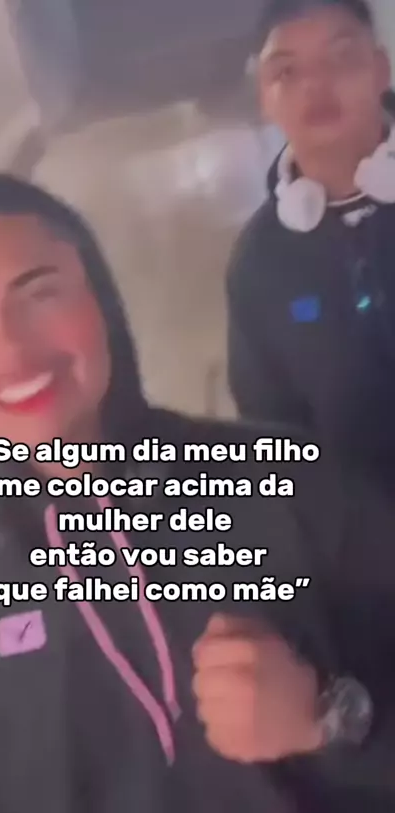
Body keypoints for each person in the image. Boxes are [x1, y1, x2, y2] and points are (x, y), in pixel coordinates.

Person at [0, 174, 393, 813]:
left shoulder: (290, 480)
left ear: (102, 301)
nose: (12, 351)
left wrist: (327, 717)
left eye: (40, 292)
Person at [227, 0, 395, 479]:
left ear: (381, 69)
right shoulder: (258, 265)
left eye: (341, 58)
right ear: (264, 96)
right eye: (287, 71)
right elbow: (274, 442)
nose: (315, 85)